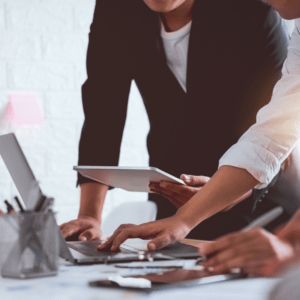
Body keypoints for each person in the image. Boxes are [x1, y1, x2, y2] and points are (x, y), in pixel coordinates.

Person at [60, 0, 290, 242]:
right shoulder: (116, 8)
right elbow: (103, 109)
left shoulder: (255, 8)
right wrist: (89, 216)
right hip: (174, 197)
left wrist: (225, 194)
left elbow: (278, 127)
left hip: (261, 199)